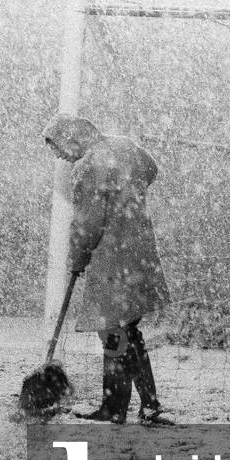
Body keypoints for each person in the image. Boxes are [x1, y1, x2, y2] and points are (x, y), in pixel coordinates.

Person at [42, 113, 172, 425]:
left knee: (112, 331)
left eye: (59, 149)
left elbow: (88, 224)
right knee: (129, 331)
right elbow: (151, 169)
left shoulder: (87, 167)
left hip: (112, 257)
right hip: (139, 250)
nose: (60, 156)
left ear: (72, 139)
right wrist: (128, 197)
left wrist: (79, 258)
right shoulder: (125, 147)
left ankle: (114, 407)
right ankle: (149, 405)